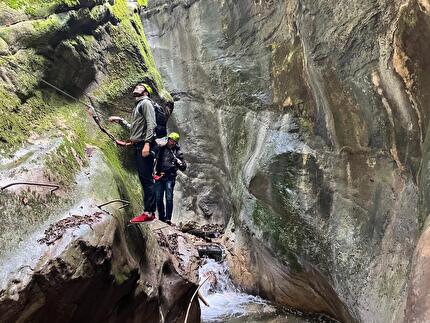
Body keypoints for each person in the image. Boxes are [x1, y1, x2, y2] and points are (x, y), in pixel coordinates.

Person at [109, 83, 157, 223]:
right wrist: (120, 120)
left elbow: (151, 124)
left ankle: (149, 213)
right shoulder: (138, 106)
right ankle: (149, 212)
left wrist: (147, 143)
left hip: (144, 146)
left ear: (146, 92)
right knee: (144, 179)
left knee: (147, 180)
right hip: (139, 145)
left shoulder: (146, 103)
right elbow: (134, 129)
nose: (136, 87)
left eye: (140, 86)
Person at [154, 132, 186, 225]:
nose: (171, 142)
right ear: (168, 139)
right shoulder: (161, 148)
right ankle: (161, 217)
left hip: (170, 177)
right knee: (158, 198)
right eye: (170, 140)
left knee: (169, 197)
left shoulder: (177, 152)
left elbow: (183, 167)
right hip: (159, 176)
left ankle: (168, 219)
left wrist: (177, 160)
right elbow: (155, 158)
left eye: (173, 141)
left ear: (176, 143)